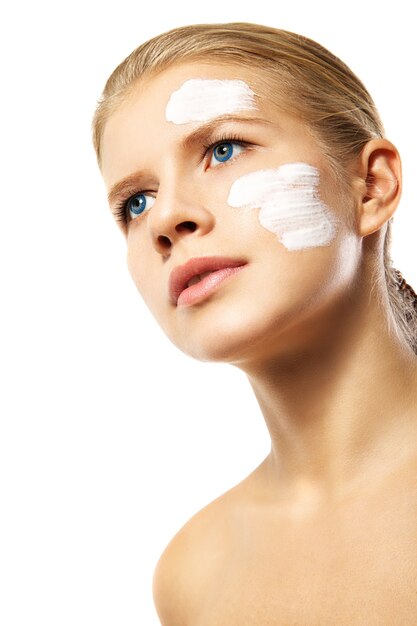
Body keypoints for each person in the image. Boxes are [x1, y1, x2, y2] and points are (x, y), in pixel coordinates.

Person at [91, 22, 417, 624]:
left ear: (372, 187)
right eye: (134, 202)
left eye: (223, 150)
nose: (166, 218)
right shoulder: (193, 574)